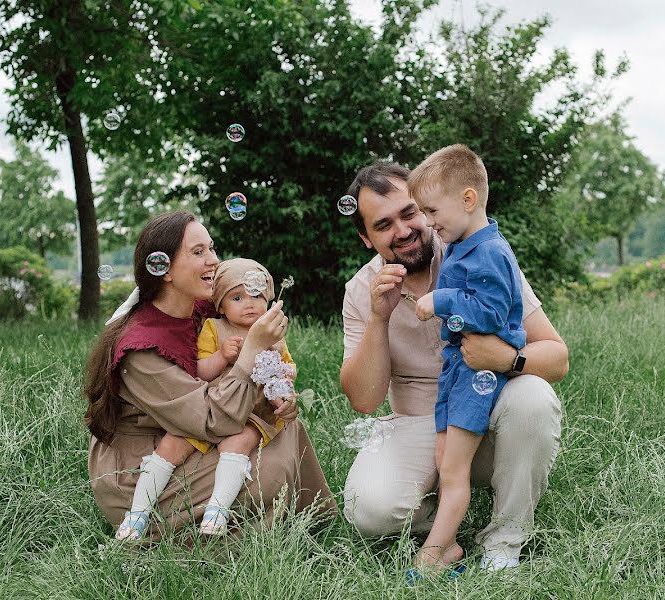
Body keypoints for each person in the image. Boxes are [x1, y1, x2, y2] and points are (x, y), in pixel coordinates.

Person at [340, 163, 566, 571]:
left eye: (410, 213)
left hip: (487, 410)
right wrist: (379, 318)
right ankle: (446, 526)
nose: (404, 230)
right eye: (383, 224)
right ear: (365, 238)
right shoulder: (362, 291)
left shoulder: (478, 256)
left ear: (428, 209)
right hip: (418, 422)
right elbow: (363, 399)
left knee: (532, 397)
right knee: (367, 511)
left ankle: (505, 539)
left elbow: (556, 356)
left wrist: (506, 359)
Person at [85, 211, 334, 541]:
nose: (213, 261)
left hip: (185, 434)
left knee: (282, 428)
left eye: (212, 248)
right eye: (198, 252)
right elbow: (212, 419)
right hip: (139, 468)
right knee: (267, 472)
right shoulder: (141, 347)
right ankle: (192, 548)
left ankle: (306, 521)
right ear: (165, 269)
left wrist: (280, 388)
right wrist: (251, 351)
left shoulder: (200, 309)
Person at [405, 144, 526, 572]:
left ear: (468, 199)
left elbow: (492, 313)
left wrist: (443, 298)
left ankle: (433, 556)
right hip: (457, 371)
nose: (427, 222)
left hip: (480, 373)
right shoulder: (462, 243)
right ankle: (450, 542)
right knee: (444, 463)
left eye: (432, 211)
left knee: (454, 470)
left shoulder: (490, 251)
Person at [115, 258, 297, 540]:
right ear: (220, 305)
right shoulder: (214, 327)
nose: (249, 304)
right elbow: (200, 371)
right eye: (237, 297)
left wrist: (285, 394)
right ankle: (137, 514)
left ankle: (217, 511)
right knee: (170, 446)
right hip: (212, 404)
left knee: (237, 444)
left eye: (257, 296)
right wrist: (222, 356)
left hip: (250, 411)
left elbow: (281, 374)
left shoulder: (272, 335)